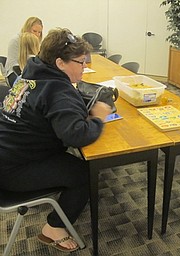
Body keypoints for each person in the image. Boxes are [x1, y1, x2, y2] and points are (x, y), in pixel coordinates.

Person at [0, 28, 112, 252]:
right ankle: (54, 227)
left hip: (8, 157)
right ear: (60, 63)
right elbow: (77, 136)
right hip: (13, 172)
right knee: (85, 173)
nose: (85, 66)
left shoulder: (31, 74)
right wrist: (98, 117)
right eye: (81, 62)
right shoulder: (57, 90)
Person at [5, 17, 43, 86]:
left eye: (39, 32)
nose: (37, 34)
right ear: (27, 28)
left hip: (29, 72)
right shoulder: (15, 41)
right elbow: (13, 64)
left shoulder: (38, 42)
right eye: (34, 31)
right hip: (14, 73)